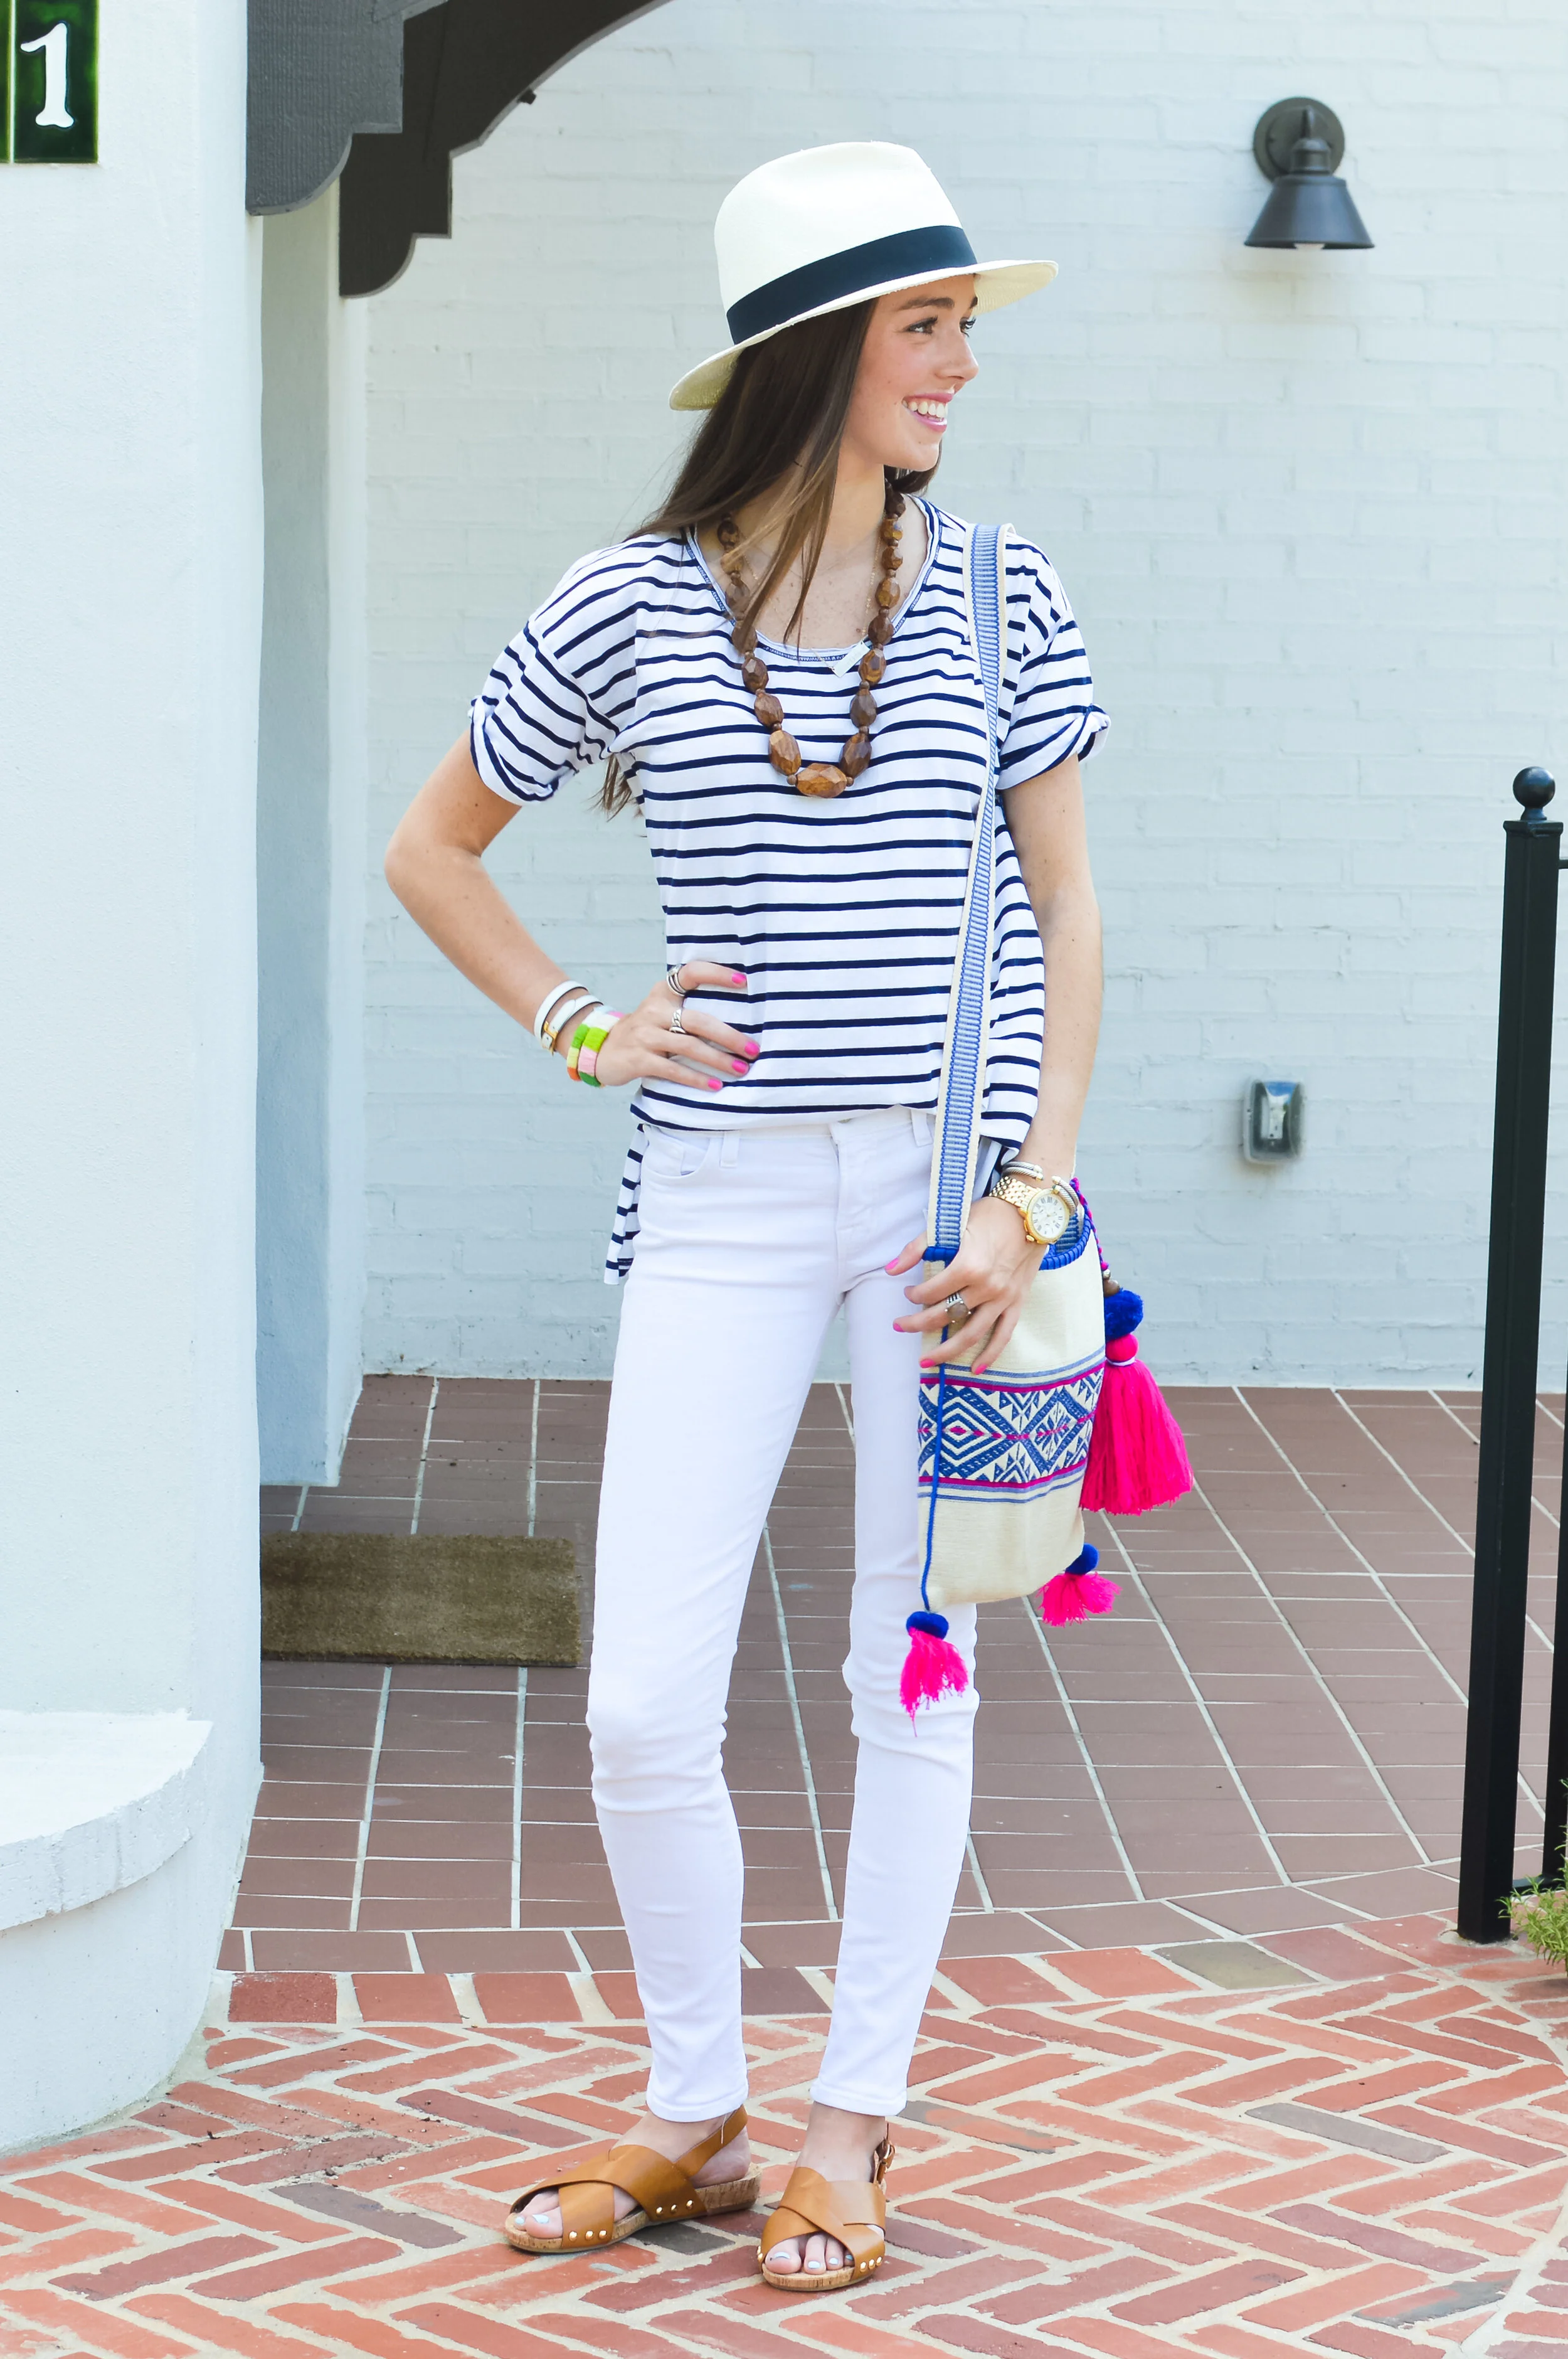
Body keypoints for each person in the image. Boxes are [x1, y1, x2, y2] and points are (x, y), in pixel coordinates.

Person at [384, 140, 1106, 2296]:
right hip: (712, 1193)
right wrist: (588, 1029)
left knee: (917, 1668)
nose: (962, 365)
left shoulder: (1003, 594)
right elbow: (436, 851)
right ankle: (693, 2098)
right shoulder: (621, 605)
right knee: (636, 1699)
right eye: (926, 323)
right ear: (813, 354)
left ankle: (846, 2121)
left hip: (942, 1210)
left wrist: (1024, 1191)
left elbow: (1066, 913)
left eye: (967, 322)